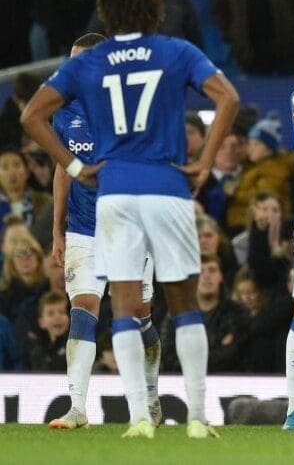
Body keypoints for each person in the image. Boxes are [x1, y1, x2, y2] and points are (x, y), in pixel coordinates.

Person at [21, 0, 240, 439]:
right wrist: (203, 163)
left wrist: (79, 169)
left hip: (116, 192)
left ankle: (141, 416)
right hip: (165, 188)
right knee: (183, 303)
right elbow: (229, 97)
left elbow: (29, 115)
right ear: (155, 7)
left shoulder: (93, 63)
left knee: (124, 308)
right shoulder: (176, 51)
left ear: (106, 9)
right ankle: (198, 418)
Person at [47, 32, 161, 429]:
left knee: (137, 314)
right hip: (83, 228)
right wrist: (57, 230)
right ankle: (77, 407)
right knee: (84, 308)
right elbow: (63, 169)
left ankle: (149, 396)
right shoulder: (63, 114)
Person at [161, 254, 246, 373]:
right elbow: (169, 358)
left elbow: (233, 356)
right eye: (200, 271)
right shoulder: (176, 314)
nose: (206, 276)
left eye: (212, 270)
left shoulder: (236, 313)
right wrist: (218, 348)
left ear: (221, 276)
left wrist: (191, 357)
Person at [226, 114, 294, 232]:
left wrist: (235, 192)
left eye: (256, 144)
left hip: (256, 227)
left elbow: (262, 197)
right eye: (250, 143)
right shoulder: (253, 166)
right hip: (243, 223)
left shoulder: (274, 169)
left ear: (269, 149)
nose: (251, 148)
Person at [0, 148, 52, 244]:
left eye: (17, 165)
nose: (12, 172)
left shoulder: (46, 202)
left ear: (27, 171)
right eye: (5, 167)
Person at [28, 290, 69, 371]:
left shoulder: (77, 348)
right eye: (51, 313)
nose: (57, 317)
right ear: (42, 322)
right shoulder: (37, 352)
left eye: (61, 312)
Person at [0, 73, 41, 151]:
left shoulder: (48, 112)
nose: (32, 109)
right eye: (27, 104)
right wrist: (26, 150)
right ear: (16, 99)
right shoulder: (5, 122)